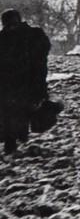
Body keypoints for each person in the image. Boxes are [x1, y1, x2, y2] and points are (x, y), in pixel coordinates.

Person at [0, 9, 51, 155]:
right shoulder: (33, 33)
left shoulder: (26, 34)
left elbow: (43, 51)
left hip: (19, 81)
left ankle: (14, 141)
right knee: (18, 111)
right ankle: (15, 139)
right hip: (22, 81)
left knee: (14, 111)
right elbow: (45, 49)